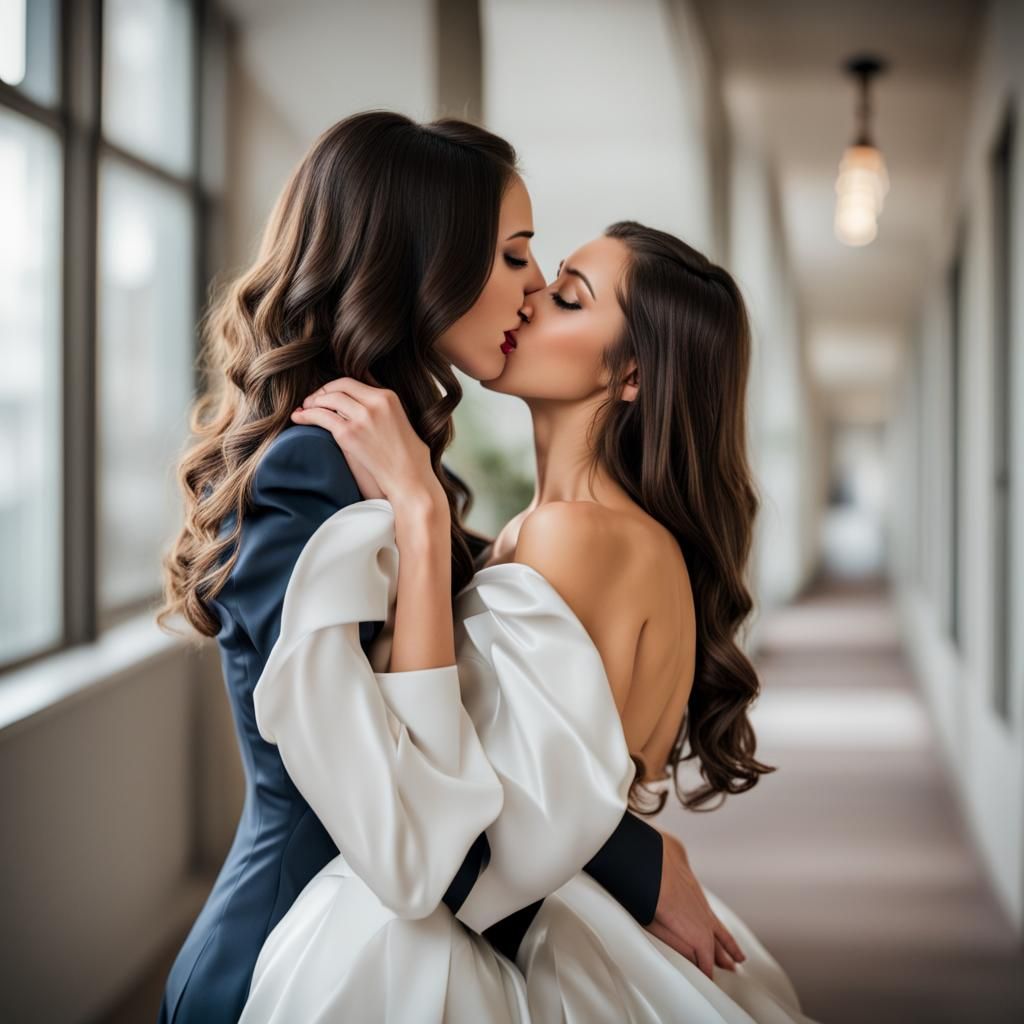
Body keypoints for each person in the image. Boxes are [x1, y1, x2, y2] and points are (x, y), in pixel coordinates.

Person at [156, 111, 739, 1024]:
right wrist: (637, 858)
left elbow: (504, 767)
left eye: (557, 282)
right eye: (515, 257)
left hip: (392, 929)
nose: (533, 288)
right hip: (291, 943)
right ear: (431, 262)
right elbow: (425, 827)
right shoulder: (315, 467)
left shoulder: (412, 468)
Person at [238, 221, 818, 1022]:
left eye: (569, 298)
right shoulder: (549, 531)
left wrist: (420, 511)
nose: (530, 296)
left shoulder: (575, 535)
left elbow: (475, 816)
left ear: (631, 376)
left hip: (493, 922)